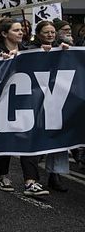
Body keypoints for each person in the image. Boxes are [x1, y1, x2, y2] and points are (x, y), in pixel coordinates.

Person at [0, 18, 50, 197]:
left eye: (21, 30)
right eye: (16, 30)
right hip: (3, 104)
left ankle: (31, 181)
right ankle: (3, 175)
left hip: (25, 104)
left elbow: (45, 55)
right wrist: (1, 60)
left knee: (28, 139)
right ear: (5, 33)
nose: (21, 33)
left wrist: (59, 50)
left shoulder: (28, 50)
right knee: (4, 140)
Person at [29, 20, 71, 192]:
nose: (50, 35)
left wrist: (67, 53)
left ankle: (55, 175)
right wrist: (39, 53)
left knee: (59, 136)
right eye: (46, 32)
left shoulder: (64, 48)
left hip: (56, 100)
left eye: (53, 32)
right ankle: (31, 176)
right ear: (38, 34)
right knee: (36, 138)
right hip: (37, 100)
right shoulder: (30, 49)